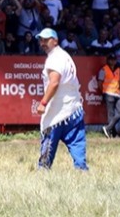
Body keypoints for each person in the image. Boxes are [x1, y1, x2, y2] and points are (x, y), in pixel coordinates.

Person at [35, 28, 88, 170]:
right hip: (74, 108)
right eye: (41, 40)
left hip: (57, 112)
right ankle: (81, 170)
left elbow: (54, 82)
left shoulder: (54, 58)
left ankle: (43, 171)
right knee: (77, 143)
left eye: (46, 40)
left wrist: (43, 103)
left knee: (48, 143)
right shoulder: (65, 56)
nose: (43, 43)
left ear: (55, 40)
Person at [98, 53, 120, 138]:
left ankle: (108, 128)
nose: (113, 61)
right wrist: (103, 92)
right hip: (108, 93)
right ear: (108, 60)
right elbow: (100, 82)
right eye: (111, 60)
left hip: (117, 93)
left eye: (114, 60)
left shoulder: (118, 69)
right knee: (111, 114)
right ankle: (113, 134)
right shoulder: (104, 69)